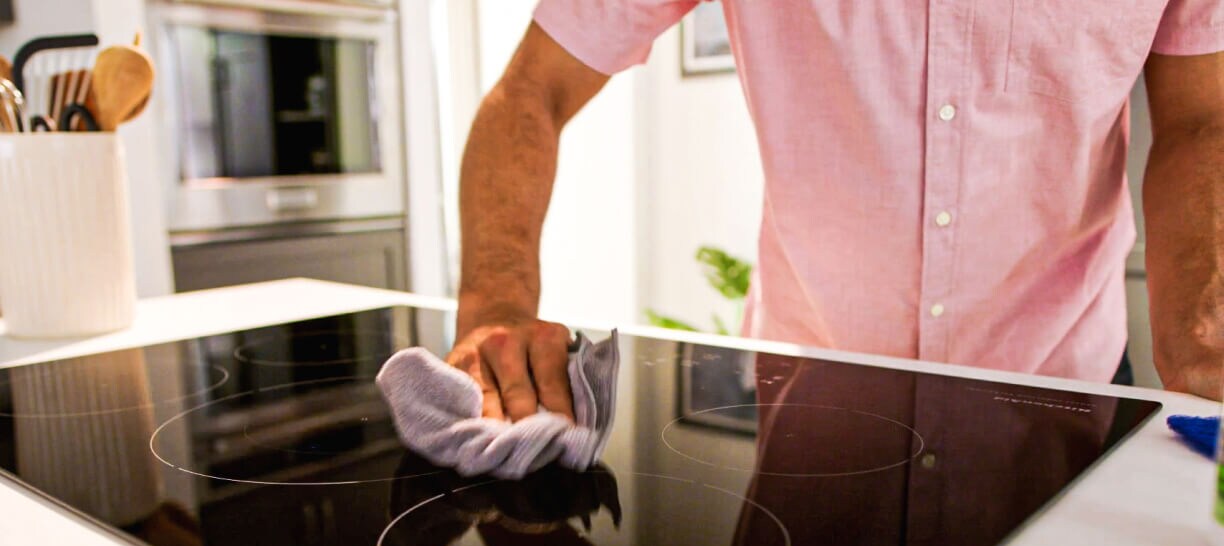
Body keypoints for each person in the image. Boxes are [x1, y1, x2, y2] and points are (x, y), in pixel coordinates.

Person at [447, 0, 1224, 422]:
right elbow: (531, 90)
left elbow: (1201, 119)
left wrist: (1201, 337)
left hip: (1067, 388)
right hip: (814, 407)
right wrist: (497, 303)